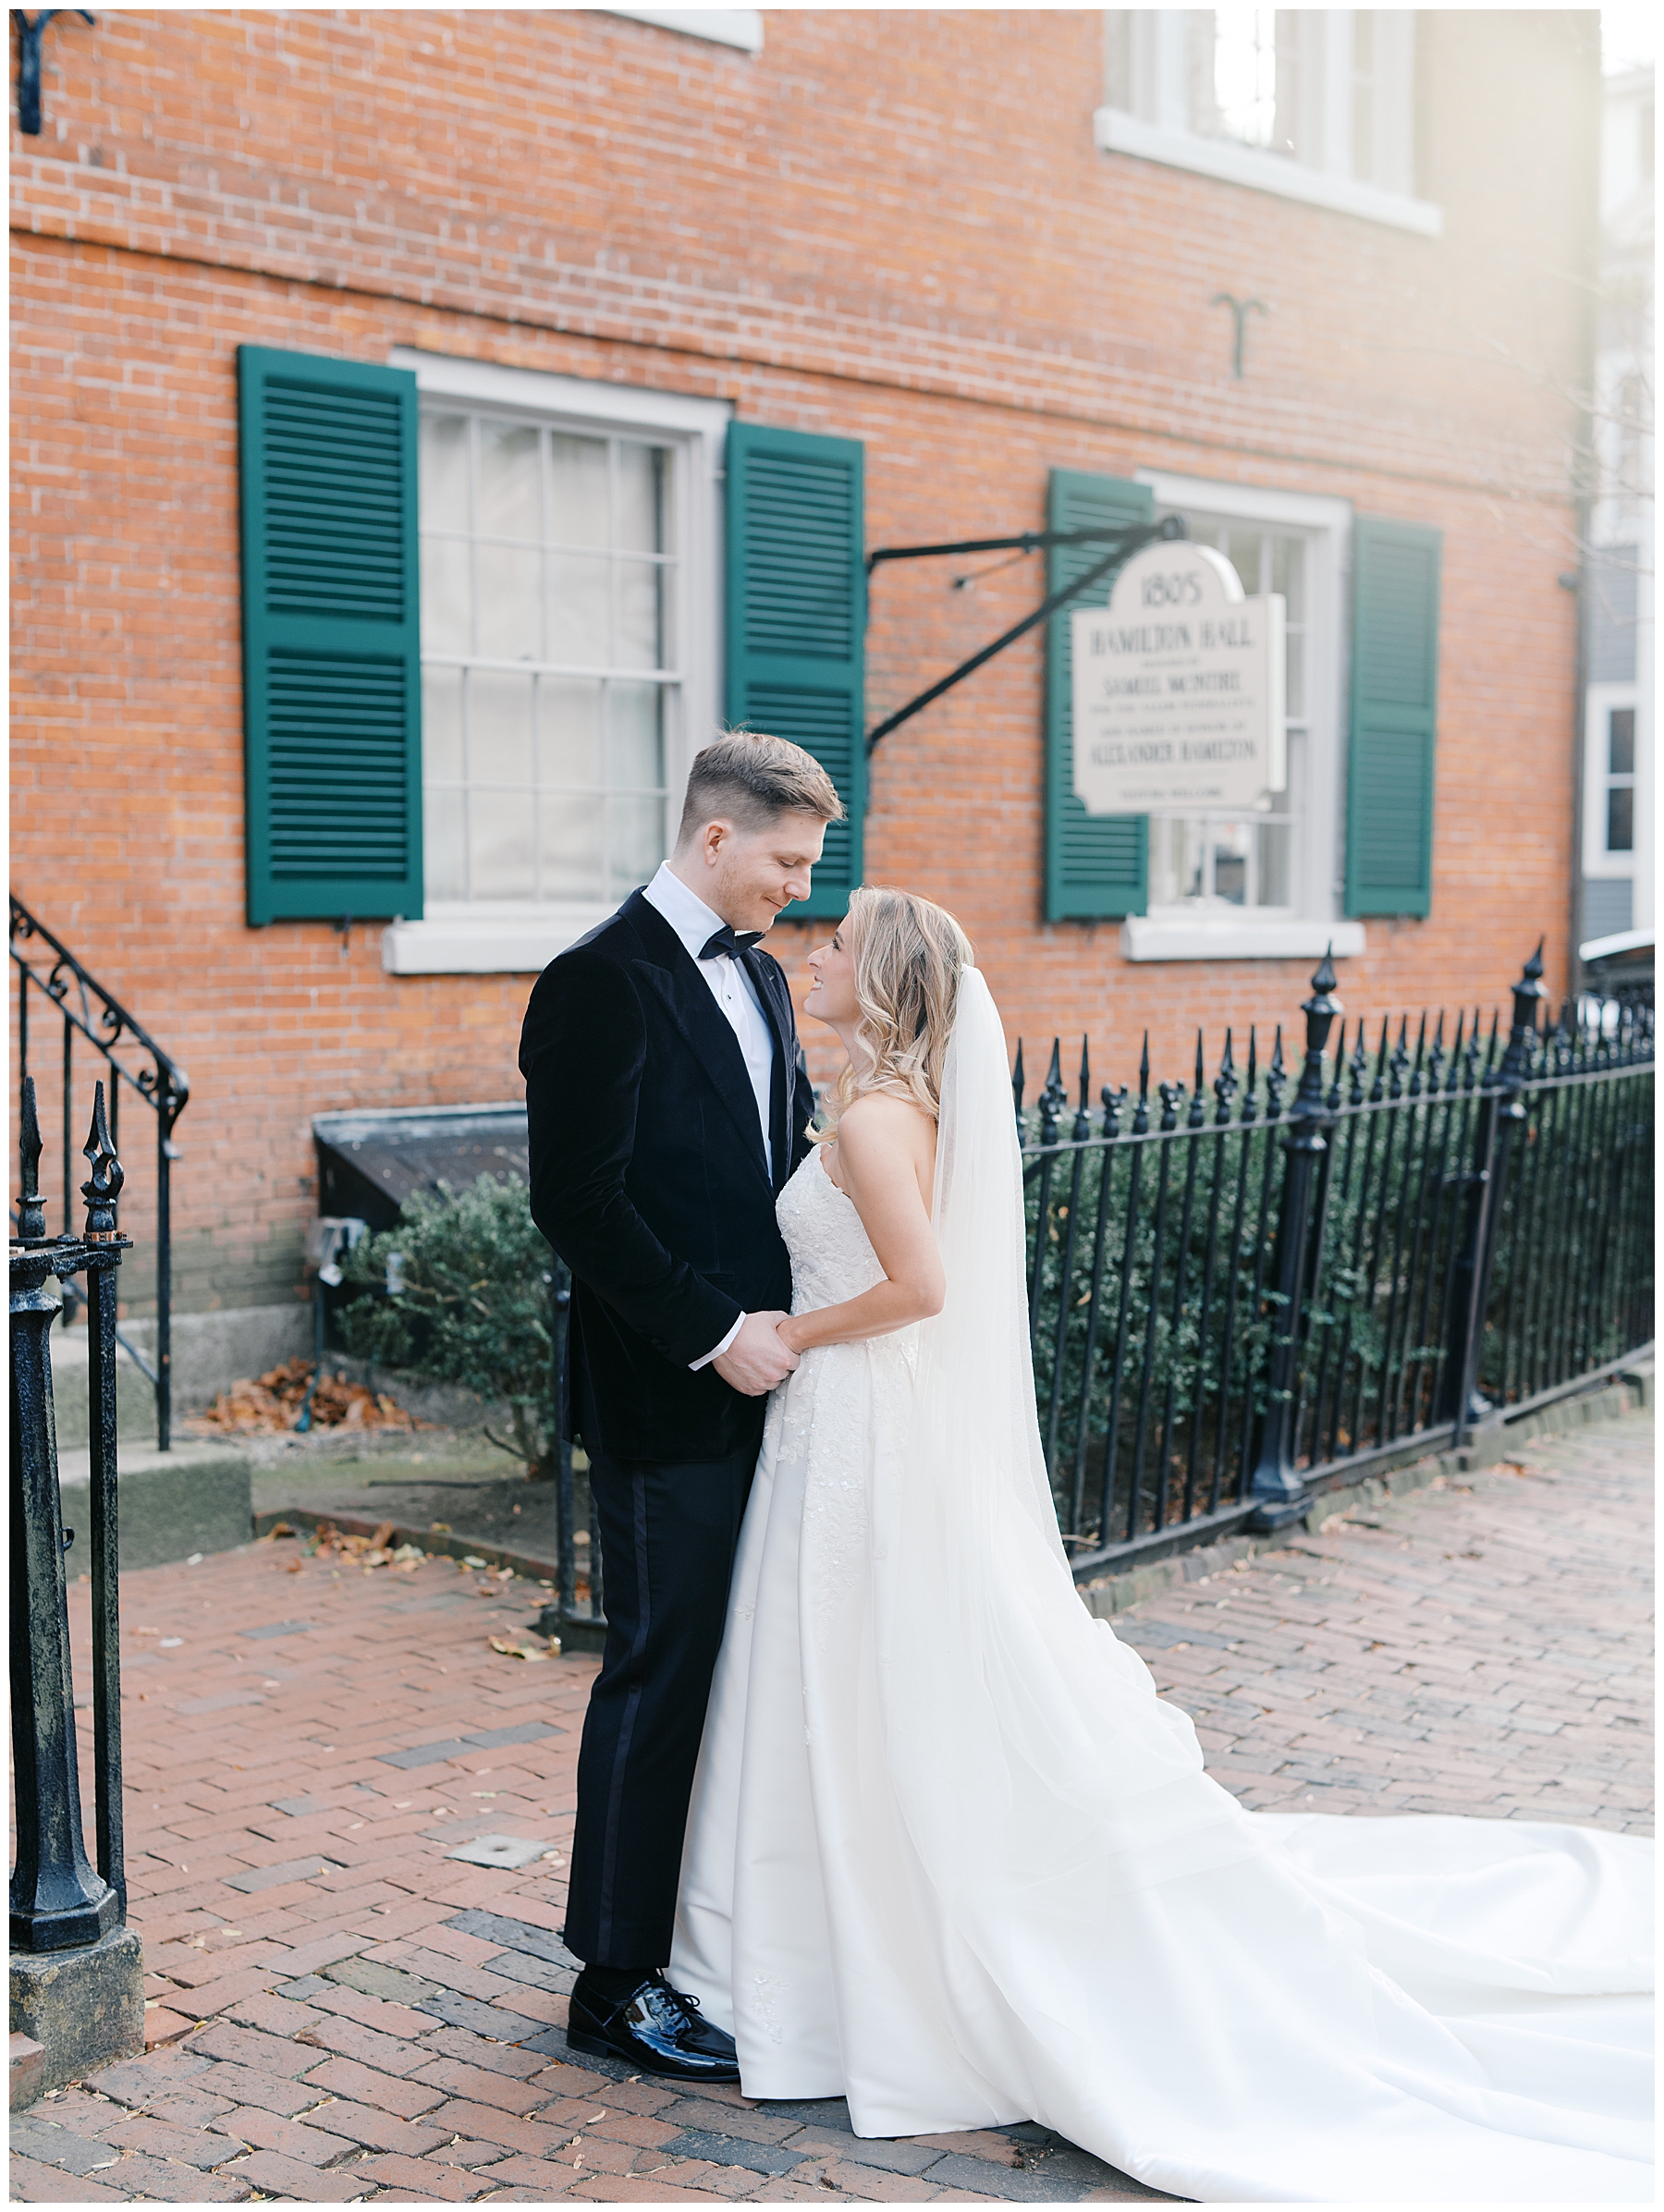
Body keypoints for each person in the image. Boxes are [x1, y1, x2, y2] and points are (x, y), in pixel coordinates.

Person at [671, 885, 1654, 2204]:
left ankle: (843, 1962)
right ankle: (814, 1948)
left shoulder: (872, 1119)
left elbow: (922, 1290)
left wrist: (792, 1334)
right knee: (836, 1678)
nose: (814, 953)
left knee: (854, 1679)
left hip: (852, 1415)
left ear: (887, 980)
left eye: (837, 943)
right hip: (842, 1429)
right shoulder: (876, 1104)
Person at [520, 730, 842, 2082]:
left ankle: (705, 1934)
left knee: (745, 1666)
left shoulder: (763, 979)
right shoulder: (597, 982)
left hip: (781, 1384)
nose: (795, 888)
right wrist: (716, 1334)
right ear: (718, 839)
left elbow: (779, 1161)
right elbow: (577, 1204)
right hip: (668, 1393)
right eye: (784, 860)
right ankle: (613, 1979)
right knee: (659, 1672)